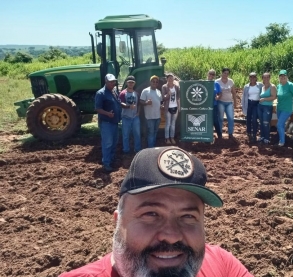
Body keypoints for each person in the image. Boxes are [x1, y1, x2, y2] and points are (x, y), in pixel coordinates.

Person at [59, 146, 254, 277]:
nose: (171, 236)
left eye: (188, 216)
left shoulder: (222, 265)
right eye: (151, 214)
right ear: (118, 222)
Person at [95, 73, 122, 172]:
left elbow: (118, 102)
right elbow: (98, 109)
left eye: (114, 81)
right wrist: (107, 113)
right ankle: (106, 163)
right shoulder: (101, 93)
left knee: (114, 142)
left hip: (114, 122)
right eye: (111, 82)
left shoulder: (114, 91)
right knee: (107, 143)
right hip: (106, 123)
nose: (113, 83)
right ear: (106, 82)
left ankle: (112, 159)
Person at [276, 70, 293, 147]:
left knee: (279, 125)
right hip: (279, 108)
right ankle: (281, 138)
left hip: (287, 109)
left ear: (287, 77)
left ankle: (282, 142)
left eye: (284, 76)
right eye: (281, 76)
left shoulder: (290, 85)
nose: (282, 77)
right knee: (281, 125)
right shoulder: (279, 86)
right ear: (279, 77)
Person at [119, 75, 141, 154]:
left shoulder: (136, 94)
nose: (131, 84)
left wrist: (138, 112)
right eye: (129, 82)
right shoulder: (123, 93)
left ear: (134, 83)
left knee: (137, 134)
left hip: (135, 117)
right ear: (127, 83)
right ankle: (126, 150)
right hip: (126, 117)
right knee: (125, 135)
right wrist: (128, 106)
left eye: (132, 82)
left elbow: (139, 104)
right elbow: (121, 103)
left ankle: (137, 149)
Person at [140, 75, 163, 148]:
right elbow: (141, 101)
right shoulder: (145, 91)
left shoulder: (159, 91)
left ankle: (153, 147)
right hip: (150, 117)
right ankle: (151, 149)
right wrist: (146, 103)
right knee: (151, 133)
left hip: (158, 116)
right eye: (153, 81)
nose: (155, 83)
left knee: (155, 132)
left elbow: (160, 102)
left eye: (156, 82)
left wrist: (161, 106)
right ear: (150, 82)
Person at [216, 67, 238, 140]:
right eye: (224, 73)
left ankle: (230, 133)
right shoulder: (217, 81)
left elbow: (234, 93)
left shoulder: (230, 81)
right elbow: (214, 92)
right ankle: (219, 134)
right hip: (220, 102)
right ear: (221, 73)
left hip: (229, 102)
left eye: (227, 73)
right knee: (220, 118)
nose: (226, 75)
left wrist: (235, 103)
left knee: (231, 118)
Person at [241, 72, 263, 143]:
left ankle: (254, 134)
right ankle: (249, 133)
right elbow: (244, 97)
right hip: (249, 103)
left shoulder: (260, 85)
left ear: (256, 78)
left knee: (254, 120)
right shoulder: (246, 86)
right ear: (249, 78)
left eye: (254, 77)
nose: (252, 78)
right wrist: (243, 106)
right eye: (251, 77)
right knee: (248, 119)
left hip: (256, 104)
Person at [257, 72, 277, 144]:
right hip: (260, 106)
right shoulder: (262, 87)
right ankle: (262, 136)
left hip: (267, 107)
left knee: (266, 122)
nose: (266, 79)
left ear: (269, 78)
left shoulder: (272, 87)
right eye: (264, 77)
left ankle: (267, 138)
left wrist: (264, 99)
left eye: (267, 77)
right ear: (262, 78)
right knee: (261, 122)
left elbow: (274, 97)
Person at [161, 73, 180, 145]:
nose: (170, 79)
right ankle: (167, 138)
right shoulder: (164, 87)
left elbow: (178, 97)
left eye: (171, 78)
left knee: (173, 124)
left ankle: (172, 138)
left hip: (175, 107)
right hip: (167, 107)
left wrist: (179, 106)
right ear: (167, 79)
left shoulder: (176, 87)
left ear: (173, 79)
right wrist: (168, 94)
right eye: (169, 78)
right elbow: (163, 98)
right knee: (168, 123)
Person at [207, 69, 222, 139]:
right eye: (210, 74)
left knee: (215, 120)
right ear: (207, 74)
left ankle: (219, 135)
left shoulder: (216, 84)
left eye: (213, 74)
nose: (211, 75)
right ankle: (206, 136)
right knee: (206, 120)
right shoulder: (203, 83)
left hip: (214, 105)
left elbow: (220, 93)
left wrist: (218, 97)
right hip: (205, 106)